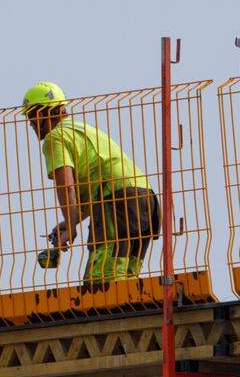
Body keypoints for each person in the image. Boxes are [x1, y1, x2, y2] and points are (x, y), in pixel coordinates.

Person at [22, 81, 160, 290]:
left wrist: (71, 227)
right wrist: (72, 220)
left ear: (42, 114)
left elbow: (66, 186)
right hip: (145, 200)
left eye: (31, 117)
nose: (31, 124)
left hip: (117, 204)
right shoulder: (81, 129)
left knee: (100, 284)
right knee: (125, 279)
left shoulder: (55, 137)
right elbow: (98, 186)